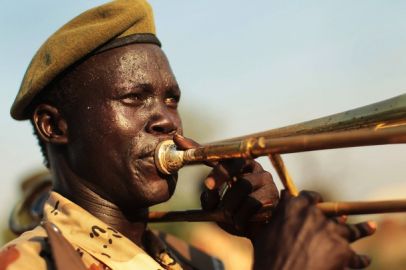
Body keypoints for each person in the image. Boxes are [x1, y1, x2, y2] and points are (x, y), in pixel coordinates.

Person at [1, 0, 375, 269]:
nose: (166, 120)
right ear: (55, 126)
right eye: (134, 97)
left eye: (171, 99)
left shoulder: (198, 262)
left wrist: (268, 239)